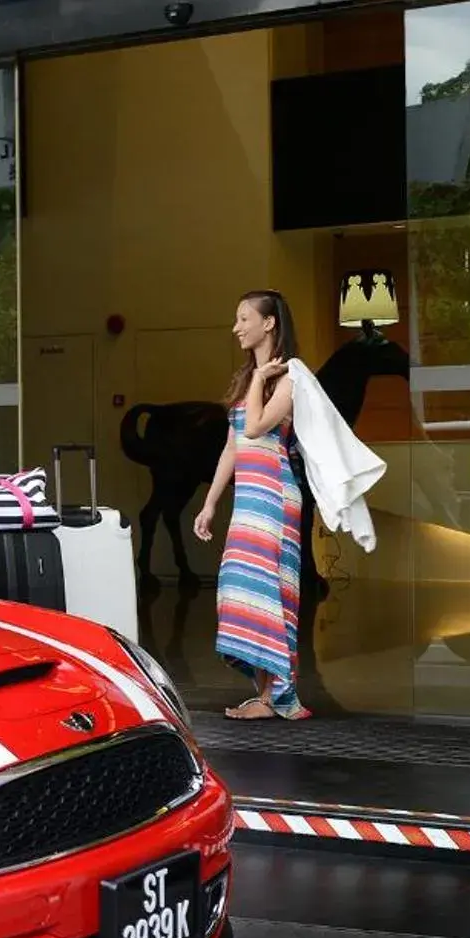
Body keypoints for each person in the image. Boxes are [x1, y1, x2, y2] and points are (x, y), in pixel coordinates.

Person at [193, 289, 311, 720]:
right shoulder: (249, 378)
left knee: (270, 591)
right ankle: (264, 692)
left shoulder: (290, 376)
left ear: (269, 323)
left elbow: (259, 427)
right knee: (239, 588)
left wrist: (262, 380)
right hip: (249, 497)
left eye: (244, 318)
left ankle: (273, 696)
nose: (236, 327)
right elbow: (232, 447)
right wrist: (209, 504)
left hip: (276, 495)